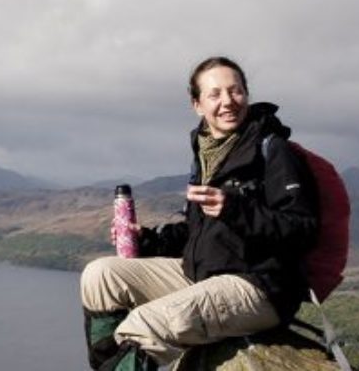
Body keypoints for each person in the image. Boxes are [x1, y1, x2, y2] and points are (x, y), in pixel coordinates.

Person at [80, 57, 321, 369]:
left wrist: (235, 209)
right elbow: (198, 232)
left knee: (144, 325)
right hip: (202, 275)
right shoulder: (208, 154)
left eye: (235, 91)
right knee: (100, 276)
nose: (227, 102)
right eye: (215, 94)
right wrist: (148, 239)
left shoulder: (273, 151)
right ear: (197, 105)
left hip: (257, 286)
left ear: (246, 95)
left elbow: (303, 228)